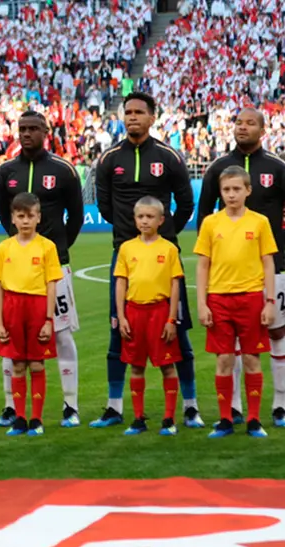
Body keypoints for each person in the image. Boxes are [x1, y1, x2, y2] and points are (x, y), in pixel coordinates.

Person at [96, 92, 200, 429]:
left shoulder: (169, 157)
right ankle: (115, 407)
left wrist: (165, 233)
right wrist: (131, 237)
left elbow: (185, 204)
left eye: (139, 112)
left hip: (162, 255)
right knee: (119, 331)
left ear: (152, 117)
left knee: (178, 331)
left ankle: (190, 406)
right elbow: (105, 207)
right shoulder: (110, 158)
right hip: (124, 255)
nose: (132, 117)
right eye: (128, 112)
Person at [0, 111, 84, 428]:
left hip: (55, 266)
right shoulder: (6, 171)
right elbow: (6, 218)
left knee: (60, 334)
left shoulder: (63, 170)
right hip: (17, 270)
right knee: (12, 336)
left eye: (33, 128)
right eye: (22, 129)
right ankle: (11, 407)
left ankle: (70, 405)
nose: (27, 133)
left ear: (46, 131)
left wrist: (59, 249)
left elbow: (76, 216)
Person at [197, 108, 285, 427]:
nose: (242, 127)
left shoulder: (277, 166)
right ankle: (232, 409)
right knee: (228, 349)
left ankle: (279, 404)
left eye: (250, 123)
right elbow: (203, 214)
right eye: (238, 122)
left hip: (273, 267)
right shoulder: (217, 168)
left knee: (275, 334)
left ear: (263, 129)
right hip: (227, 280)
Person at [195, 166, 276, 439]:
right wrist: (202, 303)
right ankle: (226, 418)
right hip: (218, 299)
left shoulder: (259, 222)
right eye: (226, 190)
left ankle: (254, 420)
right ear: (220, 192)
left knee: (253, 358)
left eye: (236, 189)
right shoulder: (210, 223)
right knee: (225, 360)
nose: (231, 194)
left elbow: (268, 263)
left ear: (248, 191)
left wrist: (269, 301)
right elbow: (202, 265)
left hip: (252, 298)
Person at [0, 194, 63, 437]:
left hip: (37, 307)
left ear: (38, 217)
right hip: (12, 308)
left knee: (37, 363)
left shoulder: (47, 247)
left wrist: (48, 320)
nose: (25, 221)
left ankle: (37, 419)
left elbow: (52, 284)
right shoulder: (5, 247)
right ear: (13, 218)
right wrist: (0, 322)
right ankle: (20, 417)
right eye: (20, 216)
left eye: (30, 216)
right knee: (17, 365)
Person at [114, 197, 184, 437]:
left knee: (167, 366)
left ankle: (169, 419)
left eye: (150, 216)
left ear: (161, 220)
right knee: (136, 366)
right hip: (134, 312)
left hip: (160, 311)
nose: (145, 221)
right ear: (134, 220)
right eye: (141, 217)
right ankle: (138, 418)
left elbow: (175, 286)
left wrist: (171, 319)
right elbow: (120, 283)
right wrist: (121, 317)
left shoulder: (169, 249)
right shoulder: (126, 248)